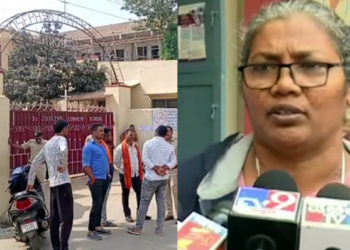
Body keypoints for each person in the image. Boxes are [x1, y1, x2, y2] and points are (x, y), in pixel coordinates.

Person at [178, 0, 350, 220]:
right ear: (243, 88)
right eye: (263, 68)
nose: (285, 84)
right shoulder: (188, 186)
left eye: (310, 66)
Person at [26, 120, 73, 250]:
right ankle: (64, 248)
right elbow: (64, 150)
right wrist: (63, 164)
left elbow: (35, 162)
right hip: (63, 184)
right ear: (64, 129)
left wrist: (30, 182)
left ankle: (56, 247)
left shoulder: (48, 144)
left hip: (53, 185)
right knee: (66, 219)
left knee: (55, 219)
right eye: (68, 128)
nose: (68, 131)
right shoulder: (61, 140)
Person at [127, 125, 177, 236]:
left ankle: (138, 228)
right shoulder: (169, 147)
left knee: (144, 203)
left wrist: (155, 168)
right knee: (161, 204)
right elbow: (174, 161)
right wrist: (164, 168)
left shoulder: (148, 143)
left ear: (155, 132)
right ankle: (159, 229)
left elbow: (145, 159)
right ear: (165, 134)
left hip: (150, 178)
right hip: (163, 178)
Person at [114, 130, 151, 222]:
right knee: (126, 194)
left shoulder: (135, 146)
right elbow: (116, 162)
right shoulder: (120, 148)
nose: (132, 136)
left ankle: (140, 213)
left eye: (134, 135)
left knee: (140, 193)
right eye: (130, 135)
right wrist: (123, 170)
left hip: (136, 174)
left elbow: (138, 159)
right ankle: (127, 214)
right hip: (125, 175)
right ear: (125, 135)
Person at [83, 124, 111, 241]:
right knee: (96, 204)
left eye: (103, 131)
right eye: (100, 131)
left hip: (105, 178)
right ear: (93, 132)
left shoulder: (102, 145)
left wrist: (108, 176)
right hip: (96, 180)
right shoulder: (89, 147)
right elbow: (86, 165)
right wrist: (92, 178)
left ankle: (98, 226)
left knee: (101, 203)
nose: (102, 133)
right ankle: (91, 230)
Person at [100, 127, 117, 227]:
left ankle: (103, 219)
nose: (111, 137)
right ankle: (102, 220)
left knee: (104, 199)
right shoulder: (101, 146)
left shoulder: (107, 145)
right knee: (101, 200)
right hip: (103, 178)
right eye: (109, 135)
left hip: (108, 177)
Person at [164, 126, 178, 223]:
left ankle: (179, 215)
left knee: (176, 192)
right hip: (164, 171)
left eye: (169, 131)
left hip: (175, 170)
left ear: (172, 133)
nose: (167, 133)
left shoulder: (177, 142)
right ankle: (169, 213)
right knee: (166, 192)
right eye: (166, 131)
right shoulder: (161, 143)